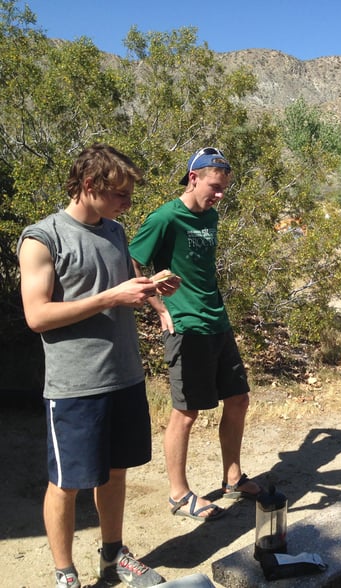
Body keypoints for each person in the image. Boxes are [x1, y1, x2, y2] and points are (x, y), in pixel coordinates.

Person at [16, 144, 167, 588]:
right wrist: (110, 298)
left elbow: (122, 285)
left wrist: (153, 292)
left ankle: (113, 555)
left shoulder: (116, 232)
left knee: (116, 472)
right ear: (89, 186)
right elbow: (37, 316)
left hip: (125, 375)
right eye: (120, 194)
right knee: (67, 483)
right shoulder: (43, 238)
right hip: (75, 385)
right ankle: (65, 573)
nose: (126, 204)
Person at [128, 146, 261, 522]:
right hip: (186, 325)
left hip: (216, 320)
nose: (219, 195)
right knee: (186, 412)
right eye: (214, 187)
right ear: (193, 178)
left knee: (238, 400)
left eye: (223, 189)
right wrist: (158, 304)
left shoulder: (211, 217)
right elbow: (132, 259)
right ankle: (178, 494)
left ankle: (232, 477)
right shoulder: (166, 217)